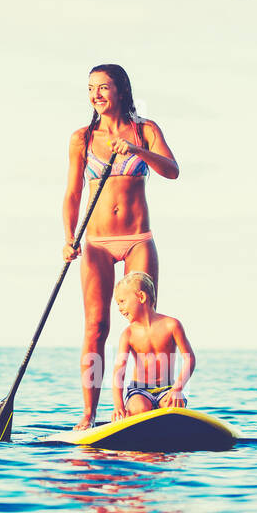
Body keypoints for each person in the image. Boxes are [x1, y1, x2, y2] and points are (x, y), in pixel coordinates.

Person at [62, 64, 178, 429]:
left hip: (137, 238)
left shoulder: (146, 131)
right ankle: (89, 414)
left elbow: (172, 170)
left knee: (145, 324)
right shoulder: (82, 138)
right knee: (96, 327)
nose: (96, 94)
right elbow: (72, 193)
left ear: (122, 91)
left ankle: (147, 402)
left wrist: (135, 150)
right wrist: (68, 236)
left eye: (104, 87)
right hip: (95, 241)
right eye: (91, 88)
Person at [109, 272, 196, 420]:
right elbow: (119, 372)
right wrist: (118, 406)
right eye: (118, 303)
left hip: (168, 388)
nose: (119, 308)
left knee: (173, 408)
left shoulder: (171, 325)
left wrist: (177, 388)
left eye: (122, 301)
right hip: (139, 390)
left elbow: (189, 359)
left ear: (141, 297)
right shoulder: (128, 334)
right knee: (139, 409)